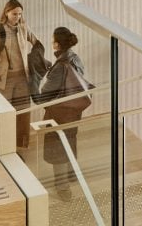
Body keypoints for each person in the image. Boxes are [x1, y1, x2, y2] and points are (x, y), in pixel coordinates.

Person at [39, 27, 91, 201]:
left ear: (57, 44)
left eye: (53, 40)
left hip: (59, 112)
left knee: (57, 147)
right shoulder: (74, 58)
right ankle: (71, 173)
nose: (52, 42)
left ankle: (63, 188)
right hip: (73, 109)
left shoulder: (60, 66)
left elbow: (44, 95)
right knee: (70, 139)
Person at [0, 0, 43, 151]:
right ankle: (3, 146)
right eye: (14, 13)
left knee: (23, 113)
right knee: (4, 114)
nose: (17, 17)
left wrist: (35, 61)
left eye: (20, 14)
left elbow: (37, 43)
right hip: (4, 80)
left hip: (23, 78)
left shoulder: (23, 28)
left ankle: (21, 146)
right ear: (6, 12)